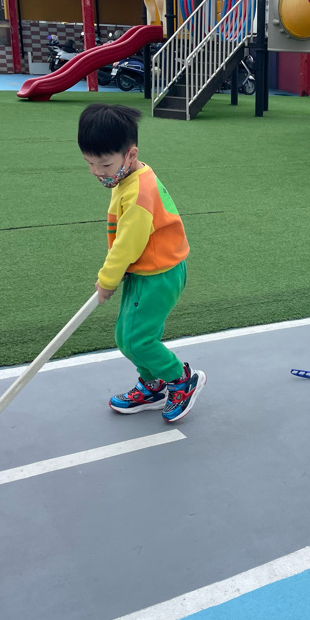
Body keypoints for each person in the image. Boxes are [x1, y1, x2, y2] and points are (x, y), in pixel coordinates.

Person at [78, 103, 206, 422]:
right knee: (127, 337)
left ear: (130, 155)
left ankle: (181, 380)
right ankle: (153, 384)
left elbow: (127, 245)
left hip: (159, 275)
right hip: (144, 270)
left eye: (104, 164)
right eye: (89, 163)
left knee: (138, 338)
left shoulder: (138, 194)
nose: (97, 171)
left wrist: (107, 280)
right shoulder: (128, 177)